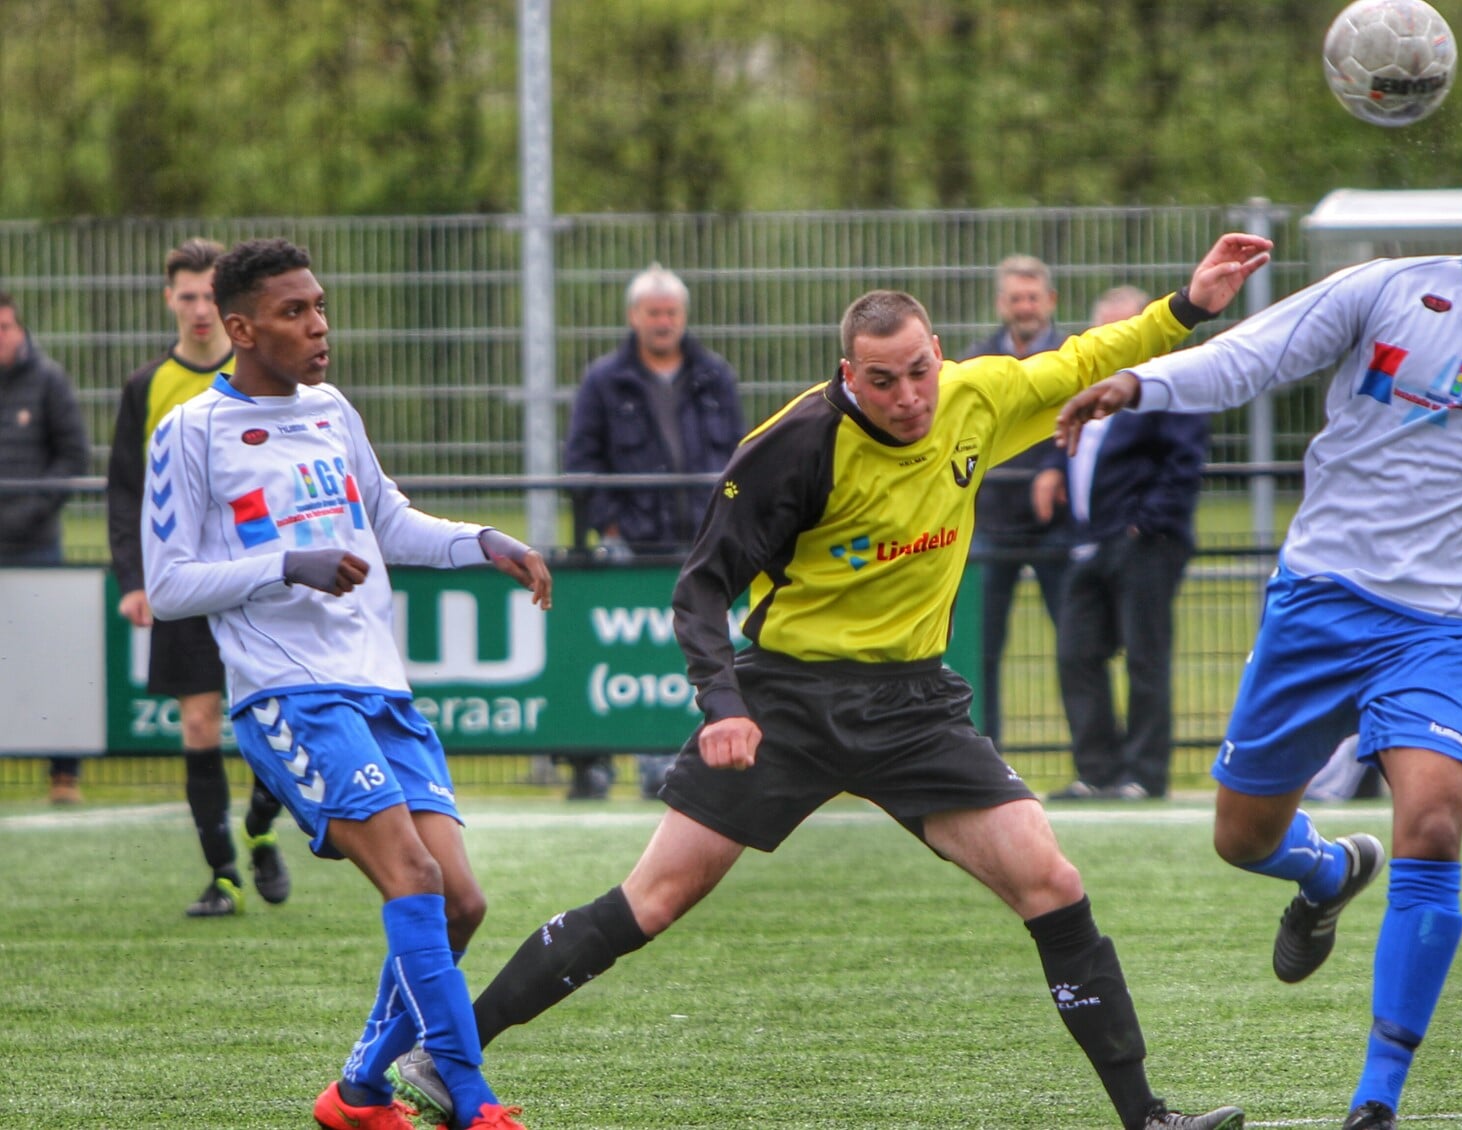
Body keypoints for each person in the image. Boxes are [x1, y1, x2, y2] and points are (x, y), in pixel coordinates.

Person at [387, 233, 1275, 1130]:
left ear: (939, 355)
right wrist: (723, 706)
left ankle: (1147, 1118)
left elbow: (1088, 355)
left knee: (1051, 880)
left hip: (916, 707)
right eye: (883, 380)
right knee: (653, 899)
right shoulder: (793, 447)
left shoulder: (975, 396)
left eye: (920, 370)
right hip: (789, 704)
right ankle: (446, 1052)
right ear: (849, 374)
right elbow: (699, 587)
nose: (909, 397)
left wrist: (1191, 305)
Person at [1055, 130, 1462, 1130]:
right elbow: (1253, 355)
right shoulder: (1386, 289)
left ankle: (1375, 1102)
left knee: (1431, 821)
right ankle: (1325, 869)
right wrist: (1141, 382)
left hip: (1448, 630)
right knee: (1240, 835)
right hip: (1320, 601)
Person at [141, 238, 550, 1130]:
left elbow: (390, 521)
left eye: (320, 306)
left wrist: (484, 542)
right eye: (295, 313)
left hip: (378, 688)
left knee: (464, 902)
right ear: (241, 328)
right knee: (413, 877)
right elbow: (169, 584)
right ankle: (468, 1096)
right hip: (290, 696)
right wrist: (287, 564)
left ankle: (360, 1092)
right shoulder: (189, 433)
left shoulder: (331, 409)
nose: (319, 326)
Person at [106, 238, 294, 916]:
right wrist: (134, 577)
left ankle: (261, 829)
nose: (197, 310)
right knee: (198, 723)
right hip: (184, 582)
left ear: (226, 304)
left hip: (253, 579)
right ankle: (224, 876)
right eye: (185, 296)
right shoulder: (146, 387)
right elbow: (125, 491)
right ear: (170, 300)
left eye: (207, 296)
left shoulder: (265, 379)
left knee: (272, 720)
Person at [563, 261, 744, 799]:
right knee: (635, 657)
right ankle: (645, 765)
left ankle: (691, 761)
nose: (663, 322)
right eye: (653, 312)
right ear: (633, 316)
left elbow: (740, 454)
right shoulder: (603, 380)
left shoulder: (715, 376)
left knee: (703, 650)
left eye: (671, 312)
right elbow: (581, 461)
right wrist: (610, 524)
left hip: (703, 540)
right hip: (634, 546)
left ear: (683, 316)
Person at [1044, 286, 1208, 801]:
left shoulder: (1167, 384)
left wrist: (1145, 523)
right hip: (1087, 540)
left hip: (1144, 542)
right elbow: (1067, 446)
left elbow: (1184, 461)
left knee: (1145, 656)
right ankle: (1097, 772)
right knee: (1076, 654)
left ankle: (1144, 774)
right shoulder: (1084, 387)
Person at [962, 254, 1073, 748]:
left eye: (1033, 297)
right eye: (1015, 298)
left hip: (1059, 521)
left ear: (1049, 301)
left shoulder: (1074, 356)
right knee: (980, 649)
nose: (1024, 307)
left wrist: (1056, 468)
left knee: (1076, 645)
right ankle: (984, 754)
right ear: (1000, 304)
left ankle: (1095, 765)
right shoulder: (975, 361)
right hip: (992, 518)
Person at [0, 290, 91, 804]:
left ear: (20, 328)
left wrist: (29, 510)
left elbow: (72, 455)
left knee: (51, 658)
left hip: (37, 547)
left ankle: (64, 775)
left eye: (5, 327)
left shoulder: (49, 380)